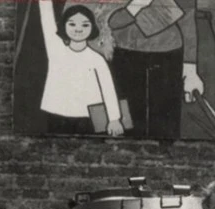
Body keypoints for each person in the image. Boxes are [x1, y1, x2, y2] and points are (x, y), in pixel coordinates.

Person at [107, 0, 204, 138]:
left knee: (165, 124)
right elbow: (106, 18)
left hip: (168, 53)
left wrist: (190, 69)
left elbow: (188, 19)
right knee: (127, 121)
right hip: (123, 51)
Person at [39, 0, 124, 135]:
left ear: (92, 29)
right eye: (72, 24)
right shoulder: (56, 49)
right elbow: (47, 19)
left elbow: (108, 89)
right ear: (64, 27)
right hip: (56, 112)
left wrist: (114, 119)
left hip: (88, 116)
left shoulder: (97, 59)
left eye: (85, 25)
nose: (78, 29)